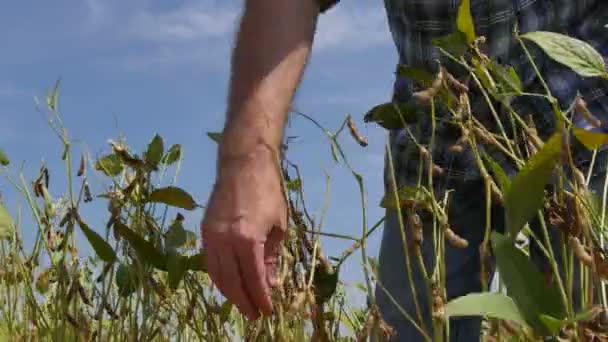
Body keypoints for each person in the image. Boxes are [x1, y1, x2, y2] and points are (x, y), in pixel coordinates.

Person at [200, 0, 608, 340]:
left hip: (585, 118)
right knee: (407, 328)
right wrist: (246, 161)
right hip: (435, 146)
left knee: (590, 319)